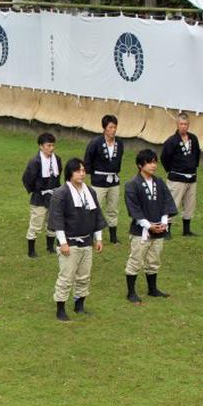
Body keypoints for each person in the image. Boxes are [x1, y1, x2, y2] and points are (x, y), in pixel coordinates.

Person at [48, 159, 105, 321]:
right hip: (69, 243)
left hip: (86, 241)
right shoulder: (61, 193)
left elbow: (96, 215)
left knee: (84, 276)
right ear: (70, 173)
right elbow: (57, 219)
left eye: (83, 170)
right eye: (78, 171)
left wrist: (98, 238)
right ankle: (60, 308)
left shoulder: (90, 191)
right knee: (66, 277)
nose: (82, 173)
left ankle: (79, 305)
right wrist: (63, 242)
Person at [123, 150, 178, 304]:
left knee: (154, 260)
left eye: (154, 162)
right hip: (141, 231)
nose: (153, 165)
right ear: (140, 165)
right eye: (149, 162)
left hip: (158, 229)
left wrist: (163, 222)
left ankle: (152, 289)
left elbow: (167, 202)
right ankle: (131, 292)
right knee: (136, 260)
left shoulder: (159, 182)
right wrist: (148, 226)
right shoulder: (132, 185)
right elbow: (134, 209)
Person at [84, 115, 124, 244]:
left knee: (113, 208)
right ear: (104, 128)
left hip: (114, 180)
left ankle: (113, 236)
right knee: (95, 208)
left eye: (115, 127)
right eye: (110, 127)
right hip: (99, 181)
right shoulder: (95, 143)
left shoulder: (119, 143)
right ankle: (91, 235)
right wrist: (91, 175)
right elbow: (87, 160)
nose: (113, 130)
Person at [160, 112, 201, 237]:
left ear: (188, 125)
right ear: (177, 125)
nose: (183, 126)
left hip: (191, 177)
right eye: (181, 124)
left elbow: (197, 154)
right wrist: (171, 170)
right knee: (172, 204)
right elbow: (164, 157)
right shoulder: (171, 141)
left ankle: (186, 229)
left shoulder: (193, 139)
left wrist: (193, 166)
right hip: (177, 178)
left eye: (186, 124)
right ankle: (166, 229)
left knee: (189, 204)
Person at [22, 132, 62, 257]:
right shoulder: (35, 162)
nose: (51, 148)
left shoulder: (57, 159)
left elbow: (58, 175)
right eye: (48, 146)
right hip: (39, 197)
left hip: (54, 195)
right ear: (41, 146)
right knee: (36, 223)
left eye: (52, 145)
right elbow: (27, 179)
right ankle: (31, 251)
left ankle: (50, 247)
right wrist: (37, 190)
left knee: (53, 222)